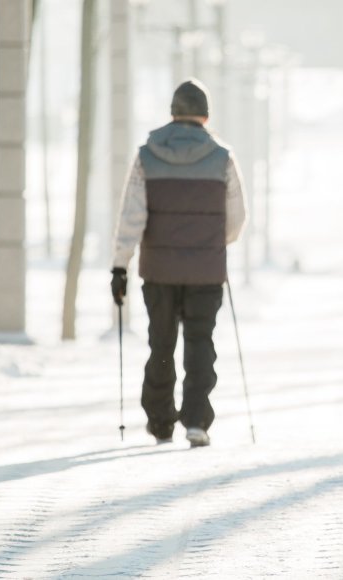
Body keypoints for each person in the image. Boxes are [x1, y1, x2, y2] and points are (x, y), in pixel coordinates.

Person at [111, 79, 246, 448]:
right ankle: (196, 421)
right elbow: (236, 218)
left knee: (161, 343)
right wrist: (214, 245)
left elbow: (131, 217)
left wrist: (120, 266)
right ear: (205, 115)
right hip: (206, 271)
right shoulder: (222, 158)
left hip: (159, 272)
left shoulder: (146, 156)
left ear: (173, 113)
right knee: (200, 342)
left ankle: (159, 422)